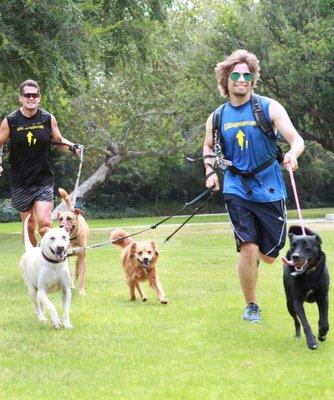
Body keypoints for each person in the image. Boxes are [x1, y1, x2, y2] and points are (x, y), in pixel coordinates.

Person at [203, 50, 304, 322]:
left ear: (253, 79)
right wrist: (210, 172)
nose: (241, 79)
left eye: (247, 75)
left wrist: (293, 154)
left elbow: (296, 139)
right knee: (247, 246)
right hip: (236, 187)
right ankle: (252, 306)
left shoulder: (269, 107)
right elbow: (209, 147)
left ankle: (262, 253)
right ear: (226, 79)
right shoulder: (217, 116)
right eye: (235, 74)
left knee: (270, 256)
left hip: (270, 187)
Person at [0, 79, 83, 246]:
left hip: (43, 179)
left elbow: (59, 141)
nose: (31, 98)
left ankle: (51, 256)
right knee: (29, 225)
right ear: (21, 98)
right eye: (27, 95)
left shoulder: (47, 118)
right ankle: (34, 255)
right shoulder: (11, 120)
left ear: (39, 97)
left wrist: (73, 149)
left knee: (44, 223)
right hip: (21, 181)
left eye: (35, 95)